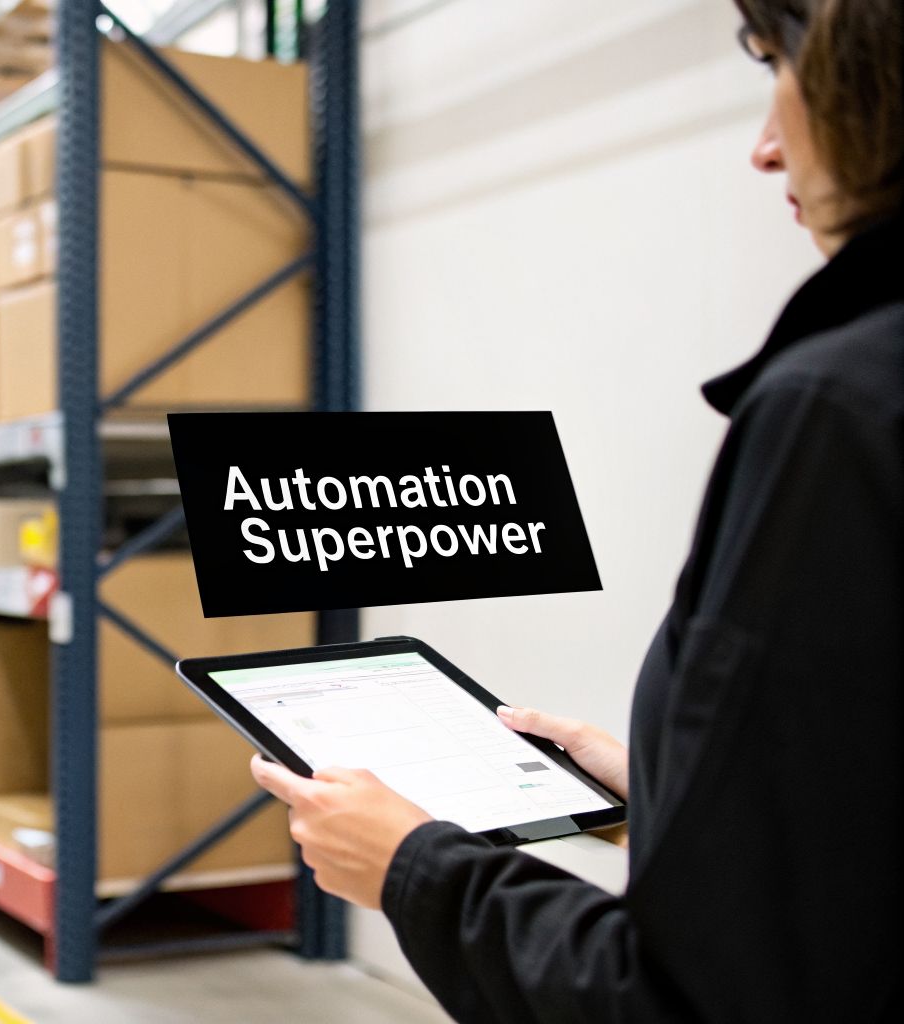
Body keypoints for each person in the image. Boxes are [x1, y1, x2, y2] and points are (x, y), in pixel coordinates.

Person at [251, 0, 903, 1019]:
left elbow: (689, 997)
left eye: (776, 66)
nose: (764, 150)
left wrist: (409, 866)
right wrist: (658, 794)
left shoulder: (836, 408)